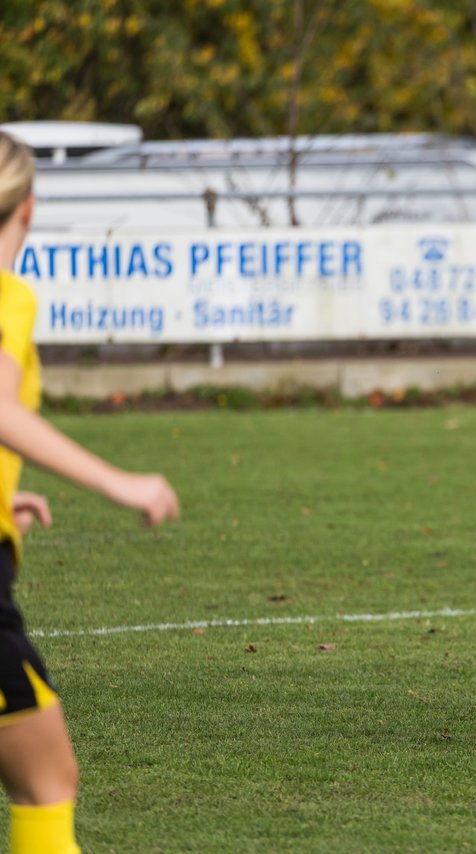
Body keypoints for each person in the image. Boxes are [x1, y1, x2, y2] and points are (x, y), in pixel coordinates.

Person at [0, 130, 180, 854]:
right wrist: (119, 481)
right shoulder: (7, 296)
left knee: (45, 776)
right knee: (47, 783)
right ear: (30, 209)